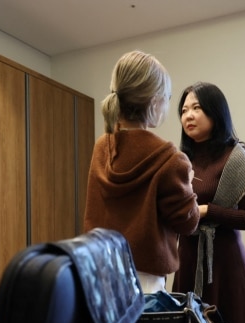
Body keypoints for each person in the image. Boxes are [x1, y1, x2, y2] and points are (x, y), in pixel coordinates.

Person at [84, 51, 200, 294]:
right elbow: (188, 222)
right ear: (156, 100)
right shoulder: (171, 159)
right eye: (168, 98)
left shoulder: (102, 146)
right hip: (145, 281)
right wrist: (189, 186)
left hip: (99, 272)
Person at [172, 82, 245, 323]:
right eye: (184, 110)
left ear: (216, 112)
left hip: (227, 265)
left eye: (197, 108)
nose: (188, 115)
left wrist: (207, 211)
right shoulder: (179, 160)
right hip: (187, 259)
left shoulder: (236, 157)